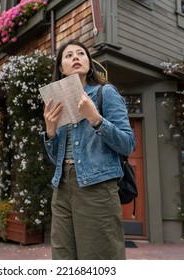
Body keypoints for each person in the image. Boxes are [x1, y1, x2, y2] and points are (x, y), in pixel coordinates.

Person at [43, 39, 135, 260]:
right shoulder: (55, 102)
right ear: (61, 68)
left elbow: (127, 144)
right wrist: (50, 131)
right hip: (62, 187)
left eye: (81, 54)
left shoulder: (106, 92)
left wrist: (95, 118)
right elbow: (55, 159)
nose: (75, 57)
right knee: (63, 258)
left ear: (89, 63)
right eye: (68, 55)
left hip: (98, 186)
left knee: (99, 258)